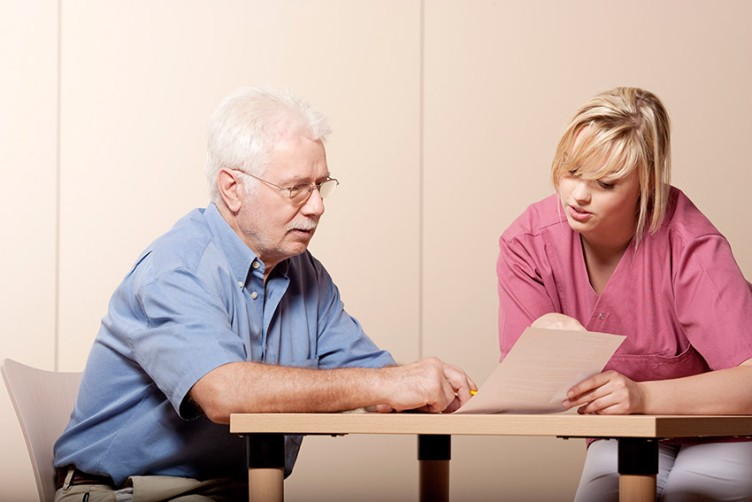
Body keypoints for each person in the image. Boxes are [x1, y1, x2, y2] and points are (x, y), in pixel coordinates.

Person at [53, 86, 476, 501]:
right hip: (127, 493)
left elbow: (374, 381)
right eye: (296, 188)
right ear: (232, 189)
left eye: (321, 185)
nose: (317, 207)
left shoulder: (306, 274)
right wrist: (386, 384)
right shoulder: (176, 267)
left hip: (240, 490)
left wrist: (424, 388)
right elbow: (226, 394)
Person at [497, 87, 752, 500]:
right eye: (572, 171)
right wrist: (543, 342)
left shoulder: (689, 244)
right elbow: (520, 387)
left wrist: (642, 394)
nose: (578, 195)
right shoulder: (528, 242)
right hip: (623, 435)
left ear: (645, 184)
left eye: (606, 183)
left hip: (726, 433)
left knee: (691, 492)